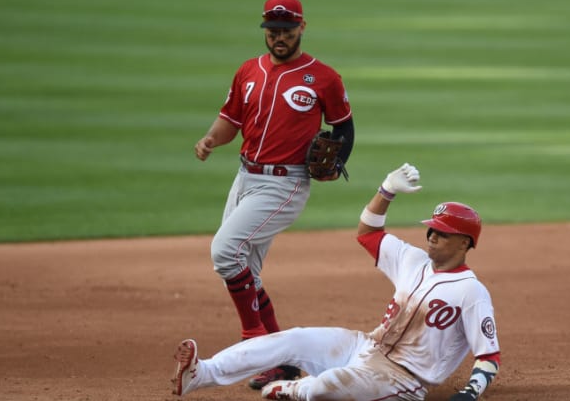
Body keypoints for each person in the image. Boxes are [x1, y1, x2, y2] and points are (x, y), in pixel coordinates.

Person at [171, 163, 501, 400]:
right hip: (364, 346)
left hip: (401, 380)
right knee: (292, 341)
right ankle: (201, 374)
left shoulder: (471, 292)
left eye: (443, 233)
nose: (431, 236)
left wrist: (470, 394)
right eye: (431, 229)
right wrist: (386, 191)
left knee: (324, 385)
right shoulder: (412, 259)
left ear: (465, 243)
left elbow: (489, 356)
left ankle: (294, 391)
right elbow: (368, 233)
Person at [192, 0, 354, 390]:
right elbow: (230, 119)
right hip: (245, 177)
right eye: (272, 31)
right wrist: (212, 140)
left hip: (285, 183)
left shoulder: (324, 78)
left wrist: (336, 161)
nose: (278, 38)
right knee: (247, 269)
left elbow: (344, 128)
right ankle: (281, 360)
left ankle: (254, 340)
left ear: (301, 27)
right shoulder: (248, 71)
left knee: (225, 252)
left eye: (286, 30)